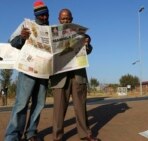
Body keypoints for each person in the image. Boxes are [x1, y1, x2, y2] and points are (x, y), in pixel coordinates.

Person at [50, 9, 98, 141]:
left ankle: (85, 134)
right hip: (60, 77)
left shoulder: (79, 33)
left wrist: (87, 44)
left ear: (72, 19)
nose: (65, 20)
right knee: (58, 110)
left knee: (80, 107)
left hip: (78, 75)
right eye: (63, 18)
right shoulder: (51, 34)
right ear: (59, 19)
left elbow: (88, 50)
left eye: (68, 18)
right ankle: (57, 137)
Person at [4, 1, 49, 141]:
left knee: (39, 103)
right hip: (27, 71)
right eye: (41, 15)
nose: (44, 17)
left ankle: (31, 133)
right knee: (21, 103)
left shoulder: (51, 29)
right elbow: (12, 41)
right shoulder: (26, 26)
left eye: (46, 14)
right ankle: (13, 136)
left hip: (43, 71)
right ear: (36, 15)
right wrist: (22, 37)